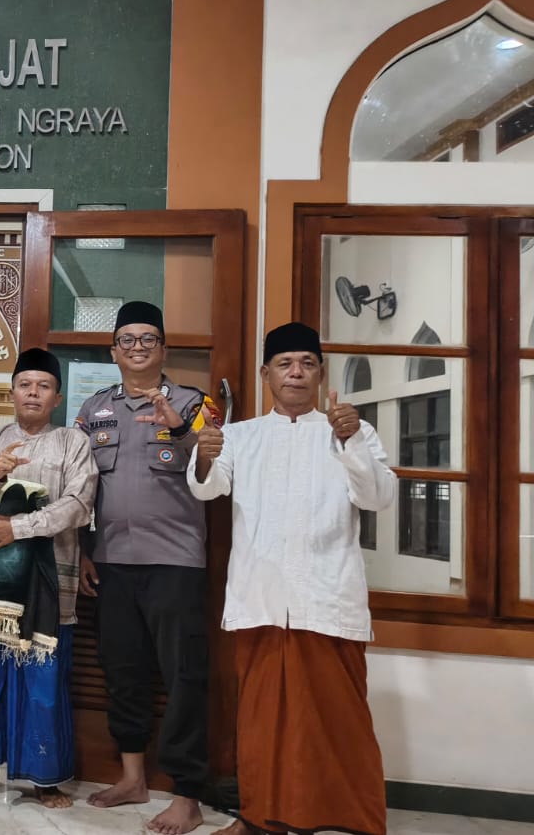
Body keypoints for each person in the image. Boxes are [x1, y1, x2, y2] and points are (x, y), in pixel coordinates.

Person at [189, 322, 395, 835]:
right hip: (261, 598)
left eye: (306, 363)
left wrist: (350, 440)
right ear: (266, 374)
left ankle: (350, 820)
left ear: (321, 373)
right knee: (261, 723)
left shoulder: (353, 432)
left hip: (327, 599)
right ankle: (258, 819)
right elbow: (207, 488)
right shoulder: (242, 435)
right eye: (285, 364)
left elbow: (378, 497)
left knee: (339, 720)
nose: (296, 373)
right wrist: (204, 455)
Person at [76, 300, 212, 834]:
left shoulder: (194, 403)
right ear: (113, 352)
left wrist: (179, 430)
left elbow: (216, 468)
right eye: (127, 340)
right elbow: (79, 486)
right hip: (111, 560)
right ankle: (132, 777)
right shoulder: (93, 409)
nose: (137, 347)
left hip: (175, 561)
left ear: (163, 348)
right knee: (123, 671)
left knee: (184, 676)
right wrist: (84, 549)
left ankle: (187, 793)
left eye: (148, 338)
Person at [0, 347, 96, 807]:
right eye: (25, 385)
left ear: (57, 397)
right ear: (12, 392)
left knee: (43, 675)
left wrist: (19, 527)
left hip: (52, 579)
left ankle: (44, 778)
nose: (33, 393)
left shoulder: (73, 443)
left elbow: (79, 504)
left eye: (43, 386)